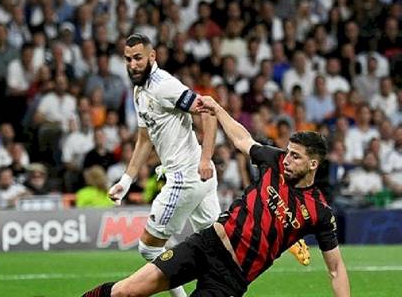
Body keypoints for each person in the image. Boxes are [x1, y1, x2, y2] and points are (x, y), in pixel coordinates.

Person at [82, 96, 350, 297]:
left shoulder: (319, 212)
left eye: (295, 156)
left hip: (231, 278)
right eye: (288, 152)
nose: (287, 159)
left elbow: (336, 268)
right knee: (125, 291)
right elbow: (243, 141)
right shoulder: (275, 161)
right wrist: (219, 109)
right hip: (206, 244)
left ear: (313, 164)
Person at [108, 33, 219, 297]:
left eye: (138, 58)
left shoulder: (164, 85)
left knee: (149, 248)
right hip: (199, 179)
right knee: (218, 247)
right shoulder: (139, 91)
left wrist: (205, 158)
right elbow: (145, 138)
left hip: (186, 178)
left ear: (152, 56)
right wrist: (126, 180)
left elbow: (209, 111)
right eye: (128, 59)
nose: (133, 64)